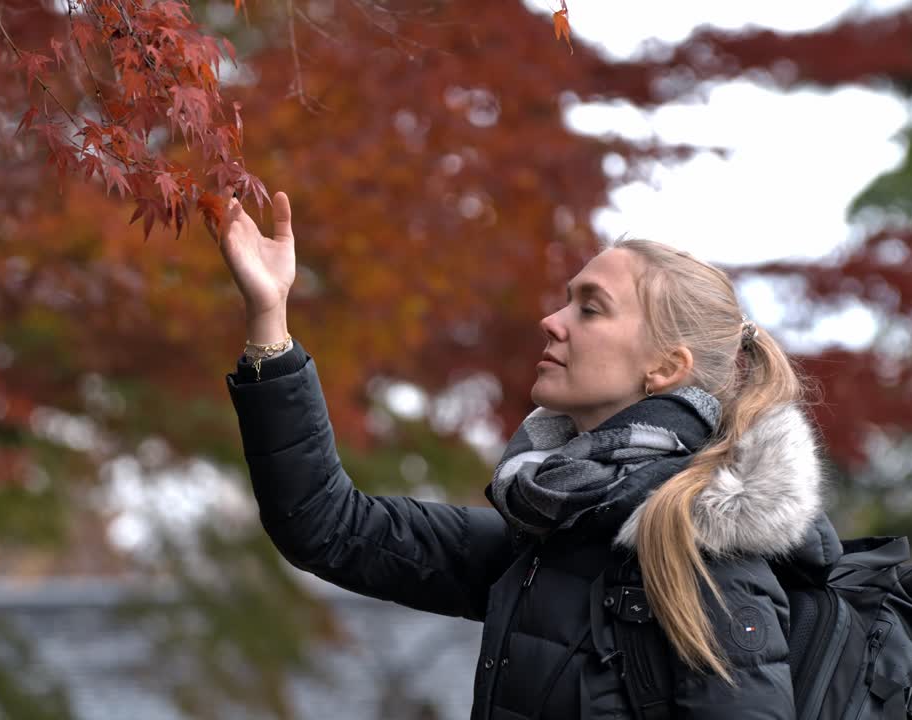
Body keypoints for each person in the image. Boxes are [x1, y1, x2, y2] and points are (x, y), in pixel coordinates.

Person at [218, 190, 836, 719]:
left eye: (589, 308)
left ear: (666, 367)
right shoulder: (550, 534)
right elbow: (330, 527)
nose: (552, 319)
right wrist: (269, 318)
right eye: (567, 299)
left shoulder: (705, 553)